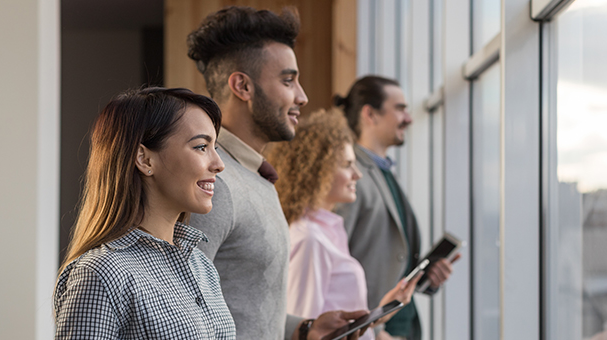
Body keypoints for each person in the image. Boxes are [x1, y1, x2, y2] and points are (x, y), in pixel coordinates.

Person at [187, 6, 367, 340]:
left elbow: (244, 305)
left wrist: (305, 328)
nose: (302, 96)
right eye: (288, 80)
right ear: (242, 86)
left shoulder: (255, 178)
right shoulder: (215, 183)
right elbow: (179, 310)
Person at [54, 87, 235, 339]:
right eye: (201, 147)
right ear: (145, 159)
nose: (218, 164)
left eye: (215, 147)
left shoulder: (201, 265)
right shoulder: (101, 273)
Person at [266, 109, 423, 340]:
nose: (357, 174)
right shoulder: (309, 238)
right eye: (347, 164)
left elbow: (333, 327)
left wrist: (380, 313)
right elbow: (305, 328)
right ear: (319, 170)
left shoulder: (327, 232)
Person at [334, 76, 460, 340]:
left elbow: (390, 255)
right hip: (375, 331)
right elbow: (335, 266)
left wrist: (424, 277)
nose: (409, 118)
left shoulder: (384, 173)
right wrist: (375, 329)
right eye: (400, 108)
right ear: (370, 114)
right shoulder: (348, 177)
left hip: (400, 326)